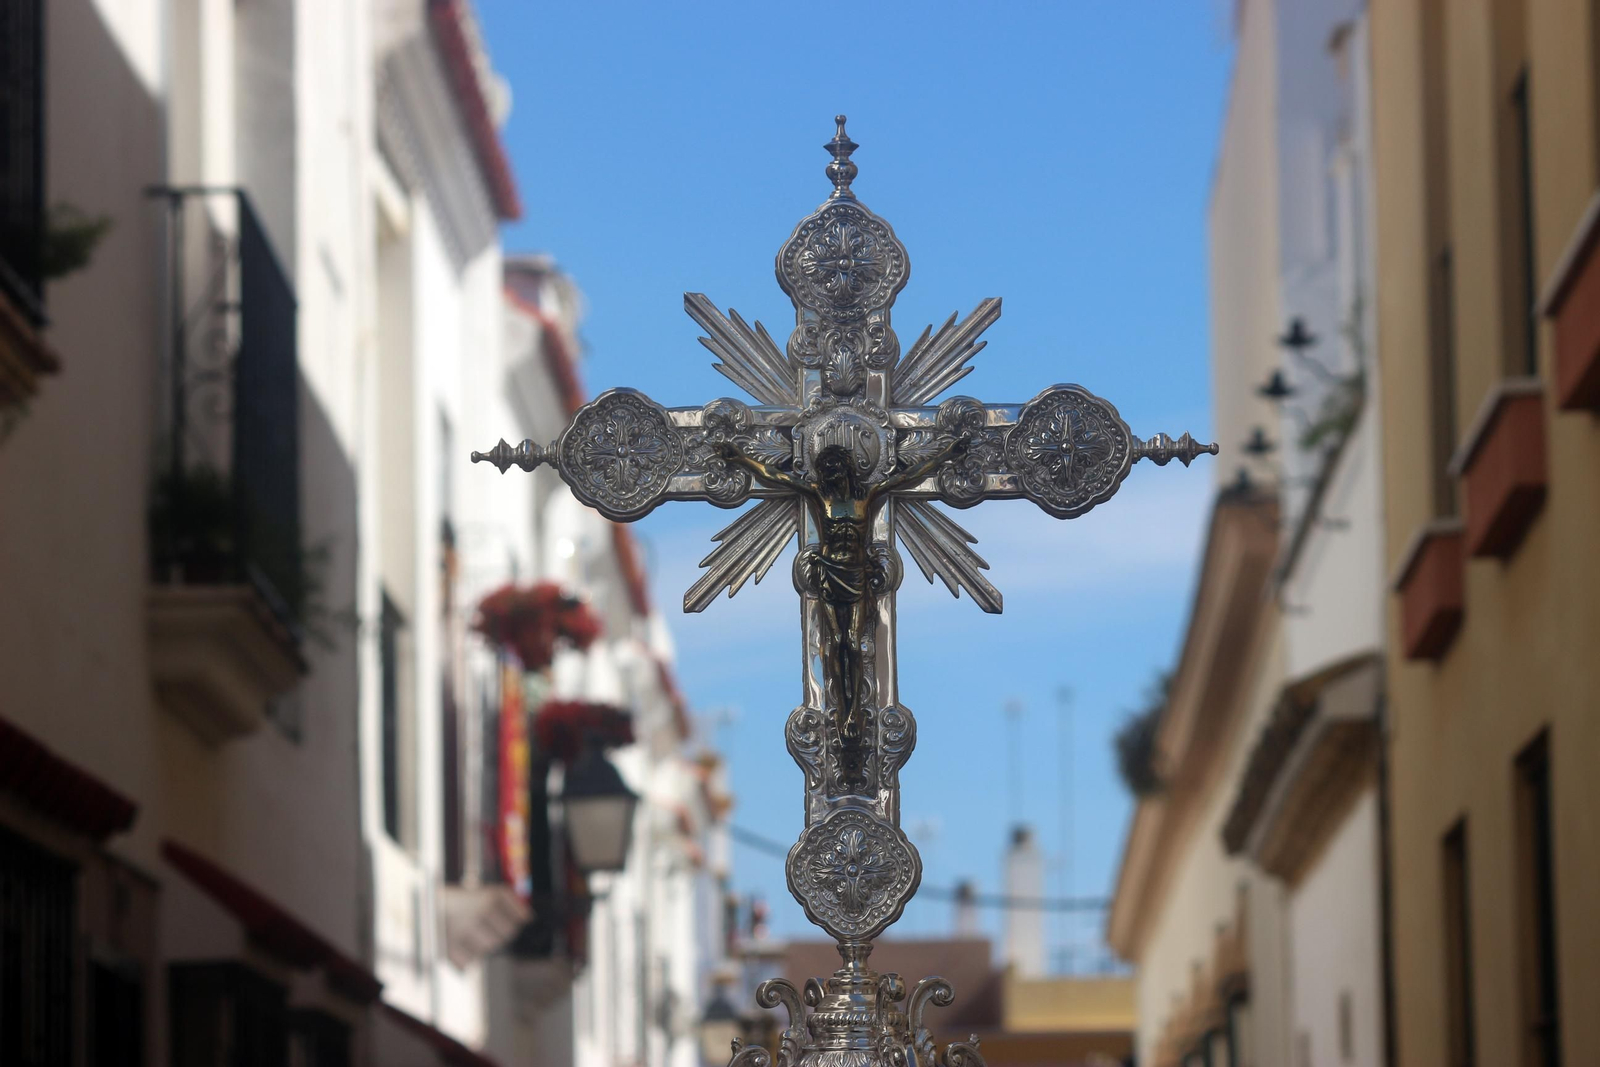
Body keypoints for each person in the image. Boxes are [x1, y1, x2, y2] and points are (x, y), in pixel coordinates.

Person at [717, 432, 968, 738]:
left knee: (853, 642)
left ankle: (853, 714)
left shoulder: (868, 497)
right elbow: (776, 477)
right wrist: (740, 458)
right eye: (826, 472)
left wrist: (947, 453)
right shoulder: (819, 497)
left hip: (857, 575)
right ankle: (845, 713)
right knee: (836, 643)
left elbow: (907, 476)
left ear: (845, 469)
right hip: (830, 575)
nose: (830, 477)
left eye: (834, 470)